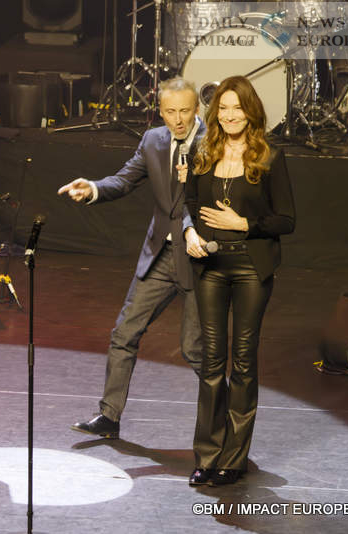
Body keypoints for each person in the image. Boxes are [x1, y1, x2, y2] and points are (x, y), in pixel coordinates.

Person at [58, 77, 206, 440]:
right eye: (170, 112)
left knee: (195, 349)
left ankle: (226, 418)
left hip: (199, 258)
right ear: (160, 112)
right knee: (124, 333)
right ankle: (109, 415)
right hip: (161, 254)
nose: (178, 119)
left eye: (185, 111)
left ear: (197, 109)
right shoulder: (153, 140)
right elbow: (124, 180)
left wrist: (193, 230)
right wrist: (93, 188)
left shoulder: (213, 142)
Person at [185, 76, 295, 486]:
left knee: (244, 362)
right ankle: (207, 455)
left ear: (251, 112)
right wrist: (189, 233)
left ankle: (233, 458)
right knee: (212, 362)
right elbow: (189, 204)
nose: (230, 115)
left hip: (251, 267)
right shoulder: (202, 152)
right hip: (210, 268)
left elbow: (287, 220)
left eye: (238, 108)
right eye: (224, 108)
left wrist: (244, 224)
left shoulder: (269, 157)